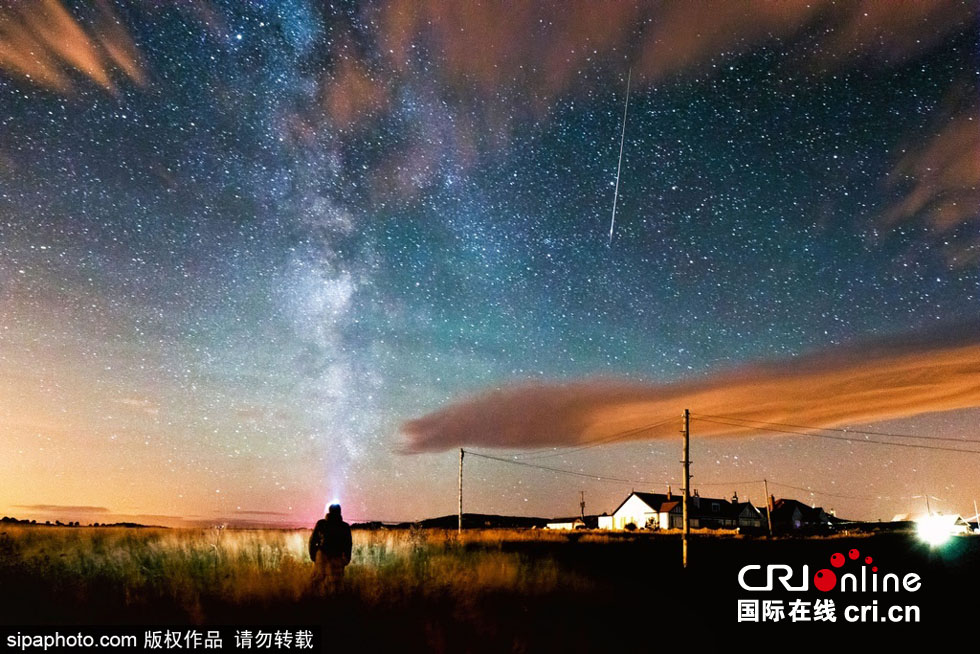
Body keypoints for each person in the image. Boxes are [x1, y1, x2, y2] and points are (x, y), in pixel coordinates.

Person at [309, 503, 352, 588]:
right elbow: (348, 544)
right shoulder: (344, 526)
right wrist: (347, 558)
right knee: (335, 583)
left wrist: (313, 556)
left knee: (320, 580)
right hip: (335, 557)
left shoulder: (321, 524)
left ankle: (318, 598)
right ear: (340, 512)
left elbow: (312, 541)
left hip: (323, 556)